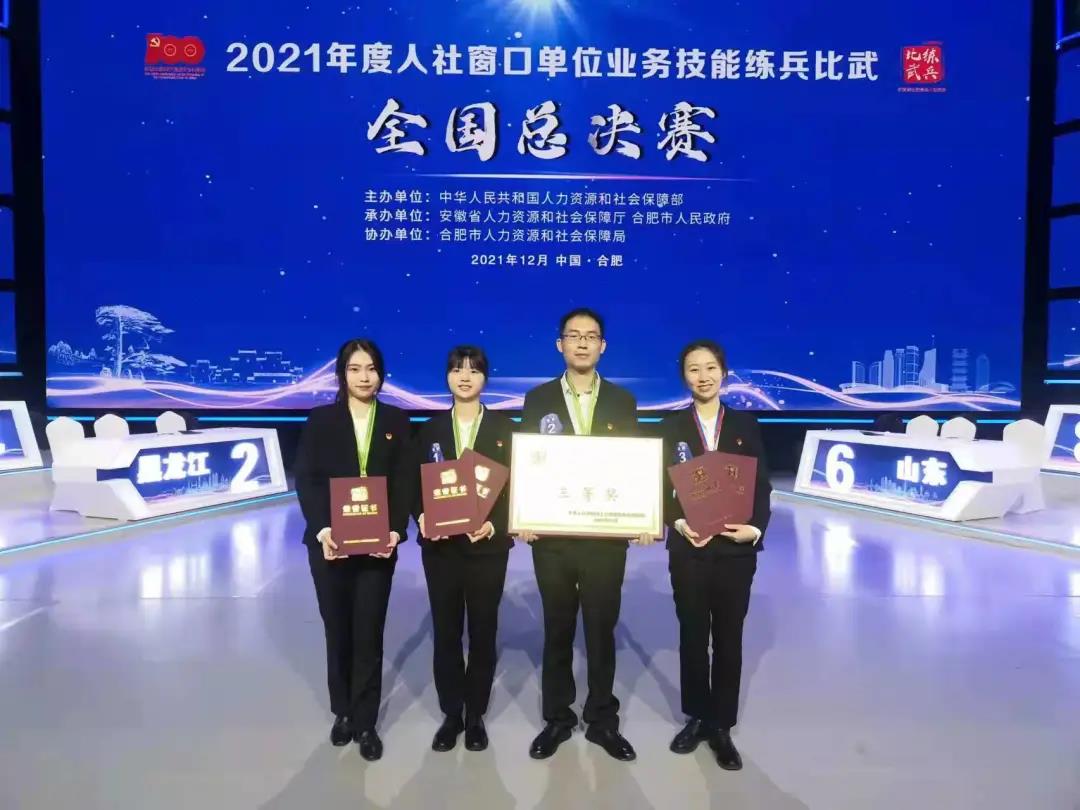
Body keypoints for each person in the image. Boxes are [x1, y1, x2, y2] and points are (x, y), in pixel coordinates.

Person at [518, 307, 650, 763]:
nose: (581, 343)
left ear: (602, 346)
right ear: (560, 344)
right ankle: (557, 718)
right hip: (552, 538)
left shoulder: (623, 401)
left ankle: (601, 720)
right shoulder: (537, 399)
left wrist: (644, 515)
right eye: (573, 336)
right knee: (557, 628)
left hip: (604, 540)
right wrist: (523, 513)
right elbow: (527, 462)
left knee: (600, 629)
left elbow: (634, 467)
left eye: (590, 336)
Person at [294, 338, 413, 762]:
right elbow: (307, 479)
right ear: (342, 374)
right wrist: (323, 529)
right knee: (338, 630)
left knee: (369, 632)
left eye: (372, 368)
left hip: (378, 546)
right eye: (355, 368)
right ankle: (342, 712)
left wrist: (395, 531)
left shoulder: (396, 420)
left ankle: (366, 722)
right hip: (331, 544)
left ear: (382, 374)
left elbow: (404, 480)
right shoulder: (321, 420)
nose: (365, 377)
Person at [661, 339, 772, 770]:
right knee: (692, 636)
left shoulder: (745, 424)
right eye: (693, 369)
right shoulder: (671, 427)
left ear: (724, 372)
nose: (703, 376)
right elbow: (659, 488)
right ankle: (697, 717)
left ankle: (721, 725)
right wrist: (677, 522)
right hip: (689, 549)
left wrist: (754, 529)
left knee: (728, 638)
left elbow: (761, 485)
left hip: (734, 551)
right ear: (683, 376)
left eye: (710, 367)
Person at [411, 345, 514, 753]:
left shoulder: (505, 429)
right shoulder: (429, 430)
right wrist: (421, 514)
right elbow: (413, 483)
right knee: (446, 631)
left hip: (488, 548)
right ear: (447, 377)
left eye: (473, 370)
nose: (465, 377)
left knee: (484, 630)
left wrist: (495, 523)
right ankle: (452, 714)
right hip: (442, 549)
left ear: (485, 378)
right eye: (457, 370)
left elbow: (518, 486)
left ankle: (475, 716)